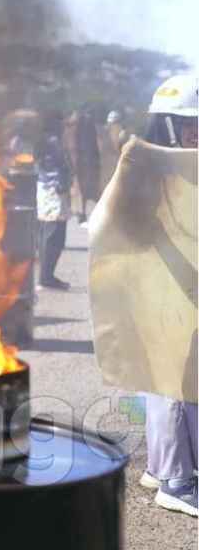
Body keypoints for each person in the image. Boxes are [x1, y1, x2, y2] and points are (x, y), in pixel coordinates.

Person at [132, 74, 198, 517]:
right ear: (171, 125)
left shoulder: (171, 165)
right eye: (192, 124)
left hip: (174, 289)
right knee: (174, 384)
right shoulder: (156, 171)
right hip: (167, 290)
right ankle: (177, 482)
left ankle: (161, 466)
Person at [35, 111, 72, 290]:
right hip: (53, 192)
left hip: (47, 191)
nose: (64, 126)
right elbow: (55, 168)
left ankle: (46, 275)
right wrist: (61, 185)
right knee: (54, 236)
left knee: (49, 234)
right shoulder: (52, 142)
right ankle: (46, 277)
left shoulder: (46, 141)